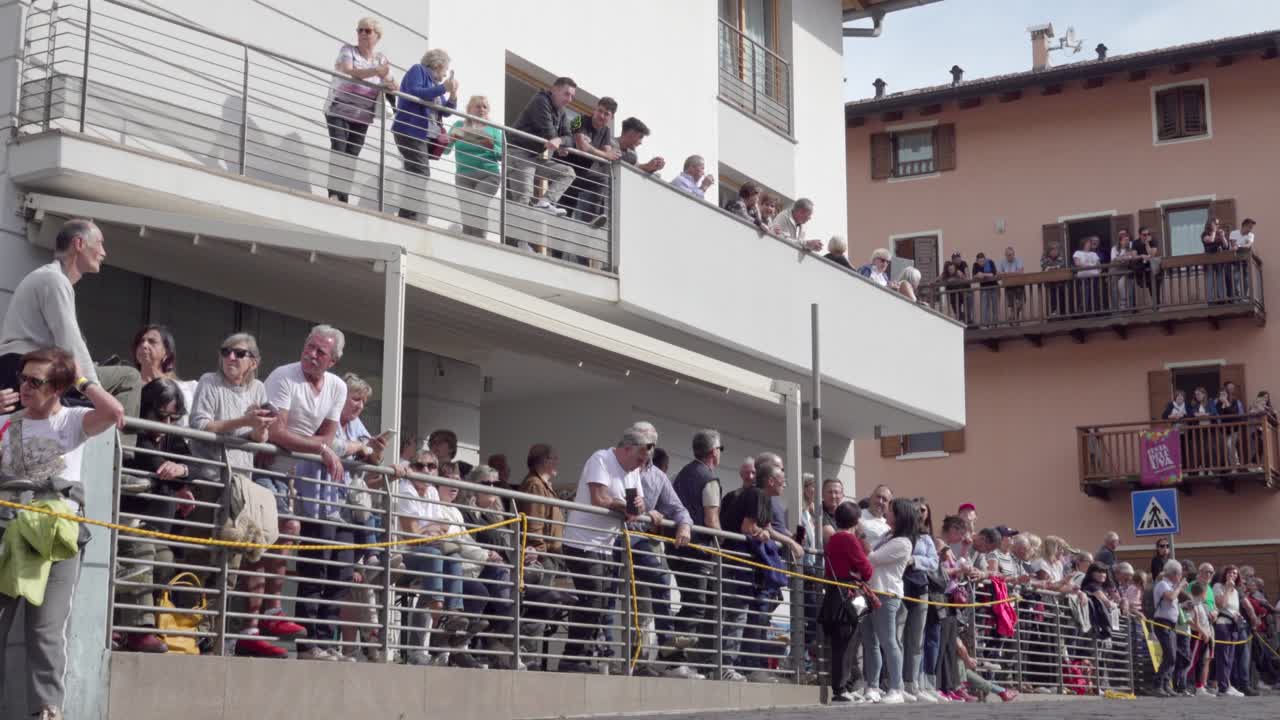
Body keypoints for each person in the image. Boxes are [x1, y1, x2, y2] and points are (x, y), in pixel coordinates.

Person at [0, 347, 123, 720]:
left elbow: (115, 414)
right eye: (23, 377)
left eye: (36, 381)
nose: (25, 386)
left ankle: (46, 711)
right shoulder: (5, 422)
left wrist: (81, 381)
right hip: (8, 533)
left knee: (46, 630)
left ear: (57, 387)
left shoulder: (71, 420)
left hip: (56, 539)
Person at [258, 325, 349, 661]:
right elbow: (277, 432)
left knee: (322, 559)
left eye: (320, 352)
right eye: (308, 347)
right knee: (284, 536)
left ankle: (291, 626)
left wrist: (322, 447)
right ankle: (270, 614)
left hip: (304, 482)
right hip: (269, 470)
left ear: (333, 361)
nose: (311, 355)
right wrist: (321, 449)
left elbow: (327, 436)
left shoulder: (337, 387)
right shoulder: (284, 375)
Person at [0, 219, 136, 426]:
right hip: (31, 369)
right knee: (129, 377)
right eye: (99, 243)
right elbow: (70, 343)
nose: (103, 252)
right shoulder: (54, 280)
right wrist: (96, 390)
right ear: (79, 243)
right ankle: (122, 448)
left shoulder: (48, 278)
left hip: (20, 369)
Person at [557, 423, 651, 672]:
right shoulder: (601, 458)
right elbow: (599, 498)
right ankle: (572, 658)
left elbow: (634, 509)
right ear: (627, 448)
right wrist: (624, 505)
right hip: (581, 542)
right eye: (639, 458)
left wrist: (639, 506)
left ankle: (584, 656)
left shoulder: (633, 471)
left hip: (606, 545)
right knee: (593, 597)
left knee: (600, 600)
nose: (640, 465)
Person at [114, 378, 194, 654]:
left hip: (153, 524)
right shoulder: (132, 428)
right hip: (121, 520)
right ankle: (139, 630)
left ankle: (122, 626)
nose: (167, 425)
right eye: (161, 417)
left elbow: (191, 462)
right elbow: (152, 463)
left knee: (165, 559)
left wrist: (181, 473)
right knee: (143, 550)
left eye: (174, 417)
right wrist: (173, 473)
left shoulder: (170, 434)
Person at [670, 429, 735, 677]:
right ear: (712, 452)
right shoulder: (708, 478)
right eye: (720, 449)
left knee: (698, 604)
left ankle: (686, 658)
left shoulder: (681, 474)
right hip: (698, 551)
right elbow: (711, 519)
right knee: (697, 605)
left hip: (678, 548)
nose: (720, 454)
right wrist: (724, 544)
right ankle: (677, 660)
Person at [630, 455, 697, 678]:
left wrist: (685, 526)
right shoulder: (617, 465)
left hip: (640, 542)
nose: (646, 451)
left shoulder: (657, 475)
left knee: (656, 586)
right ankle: (623, 659)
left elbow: (679, 509)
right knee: (610, 599)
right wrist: (646, 514)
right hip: (613, 540)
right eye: (643, 446)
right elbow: (617, 503)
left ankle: (664, 649)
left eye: (650, 446)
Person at [324, 17, 396, 203]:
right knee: (339, 149)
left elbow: (395, 86)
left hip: (362, 116)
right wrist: (375, 72)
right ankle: (334, 193)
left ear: (377, 36)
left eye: (367, 31)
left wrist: (386, 77)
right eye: (360, 30)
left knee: (352, 155)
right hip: (339, 109)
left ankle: (343, 196)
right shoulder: (348, 50)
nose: (362, 34)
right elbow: (349, 70)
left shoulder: (381, 59)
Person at [390, 48, 458, 222]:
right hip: (410, 130)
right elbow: (415, 92)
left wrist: (453, 94)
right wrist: (443, 87)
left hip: (424, 136)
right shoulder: (418, 70)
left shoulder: (435, 85)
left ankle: (409, 214)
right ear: (439, 65)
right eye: (445, 69)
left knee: (416, 172)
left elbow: (446, 112)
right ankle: (408, 215)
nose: (444, 74)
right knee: (421, 172)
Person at [862, 497, 918, 704]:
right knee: (870, 641)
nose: (887, 512)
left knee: (888, 640)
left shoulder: (903, 542)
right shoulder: (888, 535)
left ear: (901, 515)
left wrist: (860, 537)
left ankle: (896, 687)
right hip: (870, 592)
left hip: (886, 594)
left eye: (892, 510)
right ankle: (873, 686)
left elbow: (872, 558)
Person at [824, 501, 873, 703]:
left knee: (844, 641)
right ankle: (841, 687)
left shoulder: (834, 538)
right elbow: (867, 570)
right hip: (850, 593)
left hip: (836, 593)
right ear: (856, 520)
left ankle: (845, 685)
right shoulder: (849, 539)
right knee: (848, 641)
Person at [508, 76, 578, 217]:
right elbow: (549, 131)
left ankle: (545, 202)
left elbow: (570, 139)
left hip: (535, 157)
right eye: (566, 94)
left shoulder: (561, 112)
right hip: (519, 153)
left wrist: (559, 141)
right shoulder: (541, 100)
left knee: (568, 172)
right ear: (554, 90)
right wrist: (558, 141)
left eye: (572, 96)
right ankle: (521, 239)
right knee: (524, 197)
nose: (569, 99)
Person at [447, 95, 503, 238]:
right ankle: (467, 241)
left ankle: (480, 241)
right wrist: (450, 139)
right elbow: (445, 150)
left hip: (488, 174)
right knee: (466, 211)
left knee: (478, 203)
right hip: (463, 175)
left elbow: (502, 155)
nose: (482, 109)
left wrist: (491, 146)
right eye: (478, 106)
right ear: (469, 109)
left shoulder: (494, 129)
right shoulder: (459, 125)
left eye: (485, 107)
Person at [903, 499, 940, 702]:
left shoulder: (926, 539)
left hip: (920, 588)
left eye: (922, 511)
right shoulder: (898, 535)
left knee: (916, 639)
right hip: (900, 587)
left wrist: (915, 560)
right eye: (915, 510)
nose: (918, 514)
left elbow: (934, 562)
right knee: (898, 637)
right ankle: (898, 682)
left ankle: (914, 683)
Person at [563, 97, 619, 226]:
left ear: (611, 118)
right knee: (563, 211)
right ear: (594, 110)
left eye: (606, 114)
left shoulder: (606, 131)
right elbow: (582, 147)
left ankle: (591, 220)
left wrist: (592, 148)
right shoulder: (579, 120)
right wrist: (601, 152)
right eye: (600, 111)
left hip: (581, 175)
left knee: (601, 180)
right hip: (565, 170)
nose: (602, 115)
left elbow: (607, 156)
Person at [130, 325, 198, 425]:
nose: (144, 345)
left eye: (152, 342)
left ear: (166, 353)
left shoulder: (188, 389)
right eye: (140, 341)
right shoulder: (129, 387)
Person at [1152, 559, 1186, 696]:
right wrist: (1180, 586)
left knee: (1172, 656)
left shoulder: (1170, 586)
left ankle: (1166, 684)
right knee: (1170, 656)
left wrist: (1184, 606)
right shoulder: (1162, 584)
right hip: (1162, 623)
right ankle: (1157, 684)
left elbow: (1172, 605)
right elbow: (1171, 597)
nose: (1180, 578)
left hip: (1171, 624)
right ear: (1174, 573)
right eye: (1180, 574)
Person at [1214, 565, 1247, 696]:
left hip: (1233, 625)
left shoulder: (1236, 591)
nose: (1232, 575)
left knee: (1231, 657)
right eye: (1229, 573)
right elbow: (1221, 605)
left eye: (1235, 573)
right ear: (1225, 574)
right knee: (1223, 656)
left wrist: (1238, 616)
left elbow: (1234, 608)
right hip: (1223, 624)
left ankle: (1228, 684)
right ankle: (1223, 686)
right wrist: (1227, 588)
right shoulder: (1218, 586)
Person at [1202, 218, 1231, 302]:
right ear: (1210, 224)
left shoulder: (1218, 234)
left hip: (1219, 260)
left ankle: (1221, 299)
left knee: (1220, 280)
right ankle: (1210, 300)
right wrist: (1214, 231)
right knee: (1210, 280)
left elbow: (1226, 246)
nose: (1217, 225)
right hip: (1209, 260)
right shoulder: (1204, 234)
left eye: (1218, 224)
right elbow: (1210, 240)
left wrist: (1222, 237)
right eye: (1215, 223)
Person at [1072, 236, 1103, 315]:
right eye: (1088, 243)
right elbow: (1077, 263)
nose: (1090, 245)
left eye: (1090, 243)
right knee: (1084, 293)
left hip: (1094, 276)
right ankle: (1084, 311)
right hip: (1083, 277)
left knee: (1094, 293)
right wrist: (1088, 266)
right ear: (1083, 244)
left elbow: (1099, 265)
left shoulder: (1094, 253)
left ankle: (1094, 310)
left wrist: (1099, 272)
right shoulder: (1078, 253)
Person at [1109, 229, 1137, 310]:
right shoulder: (1114, 248)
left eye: (1127, 238)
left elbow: (1134, 256)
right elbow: (1114, 259)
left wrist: (1124, 257)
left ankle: (1131, 308)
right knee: (1115, 288)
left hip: (1128, 269)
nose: (1127, 241)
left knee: (1130, 288)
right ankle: (1116, 308)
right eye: (1124, 238)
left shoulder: (1131, 245)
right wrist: (1124, 256)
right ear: (1120, 240)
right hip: (1115, 270)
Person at [996, 246, 1025, 320]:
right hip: (1009, 286)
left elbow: (1020, 272)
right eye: (1008, 255)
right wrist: (1013, 273)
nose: (1010, 256)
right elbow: (998, 274)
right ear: (1005, 255)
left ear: (1014, 254)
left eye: (1012, 254)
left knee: (1020, 303)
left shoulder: (1019, 260)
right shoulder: (1002, 262)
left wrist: (1006, 274)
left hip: (1019, 285)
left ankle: (1012, 316)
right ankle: (1015, 321)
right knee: (1012, 304)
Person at [1041, 240, 1068, 318]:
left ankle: (1063, 314)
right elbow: (1044, 266)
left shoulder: (1061, 256)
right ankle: (1054, 311)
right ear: (1049, 251)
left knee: (1062, 297)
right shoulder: (1044, 257)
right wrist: (1053, 267)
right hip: (1050, 282)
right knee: (1052, 297)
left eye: (1056, 250)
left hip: (1060, 282)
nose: (1054, 252)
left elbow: (1061, 265)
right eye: (1053, 250)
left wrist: (1051, 267)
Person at [972, 251, 998, 325]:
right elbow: (974, 275)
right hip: (984, 288)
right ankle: (986, 324)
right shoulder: (975, 265)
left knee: (994, 306)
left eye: (983, 261)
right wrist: (977, 275)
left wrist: (983, 274)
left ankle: (995, 323)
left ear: (985, 259)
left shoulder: (990, 262)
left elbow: (993, 273)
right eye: (980, 261)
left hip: (994, 286)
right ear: (977, 261)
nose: (982, 263)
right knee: (984, 306)